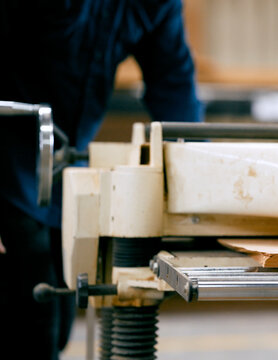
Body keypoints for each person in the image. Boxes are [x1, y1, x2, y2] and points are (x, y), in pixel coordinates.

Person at [0, 1, 203, 358]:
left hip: (63, 167)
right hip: (7, 161)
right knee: (33, 321)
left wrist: (202, 183)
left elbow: (173, 82)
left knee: (58, 318)